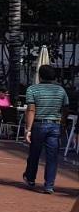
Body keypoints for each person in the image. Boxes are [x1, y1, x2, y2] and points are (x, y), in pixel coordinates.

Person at [24, 64, 69, 194]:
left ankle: (31, 178)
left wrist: (28, 129)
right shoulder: (61, 90)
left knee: (34, 153)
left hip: (38, 124)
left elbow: (31, 110)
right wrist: (63, 123)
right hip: (55, 125)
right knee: (52, 156)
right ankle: (49, 185)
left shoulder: (32, 89)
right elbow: (65, 108)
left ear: (40, 75)